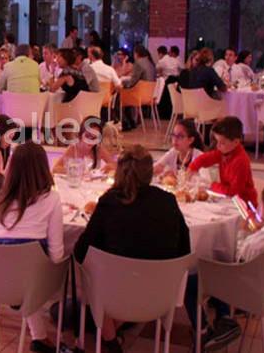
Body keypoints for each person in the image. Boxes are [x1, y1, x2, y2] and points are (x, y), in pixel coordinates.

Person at [74, 145, 190, 353]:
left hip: (115, 295)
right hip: (159, 295)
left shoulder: (109, 202)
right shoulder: (168, 201)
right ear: (150, 173)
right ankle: (111, 336)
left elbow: (81, 251)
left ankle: (109, 340)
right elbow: (184, 249)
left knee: (93, 275)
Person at [188, 179, 264, 352]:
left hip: (248, 293)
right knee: (217, 269)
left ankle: (205, 331)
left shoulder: (256, 243)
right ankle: (223, 320)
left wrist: (242, 234)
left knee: (193, 279)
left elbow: (237, 260)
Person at [0, 141, 65, 353]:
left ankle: (39, 335)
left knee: (23, 264)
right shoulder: (52, 199)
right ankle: (47, 335)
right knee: (39, 265)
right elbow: (57, 254)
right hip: (30, 281)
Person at [188, 117, 258, 204]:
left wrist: (211, 185)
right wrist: (192, 167)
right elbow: (205, 158)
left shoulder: (240, 161)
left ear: (236, 142)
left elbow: (233, 192)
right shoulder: (224, 151)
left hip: (244, 204)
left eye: (222, 142)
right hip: (230, 199)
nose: (218, 146)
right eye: (217, 141)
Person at [52, 116, 116, 173]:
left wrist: (110, 167)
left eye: (95, 137)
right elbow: (55, 169)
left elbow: (115, 166)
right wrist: (74, 171)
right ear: (81, 134)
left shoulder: (98, 150)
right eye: (88, 136)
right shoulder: (74, 149)